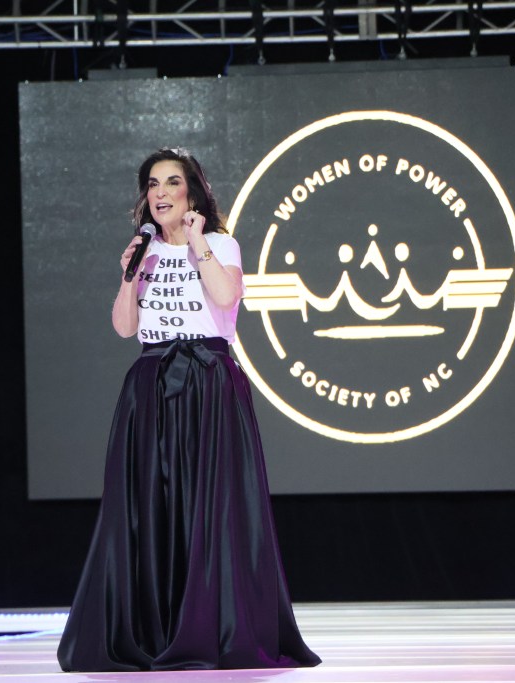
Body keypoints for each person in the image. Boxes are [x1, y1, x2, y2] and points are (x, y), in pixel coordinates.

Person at [57, 148, 322, 672]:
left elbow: (224, 297)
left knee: (212, 508)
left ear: (192, 192)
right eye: (152, 184)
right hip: (152, 386)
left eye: (171, 182)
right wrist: (130, 274)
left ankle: (216, 628)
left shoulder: (220, 243)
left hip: (208, 384)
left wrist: (196, 241)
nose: (160, 193)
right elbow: (125, 327)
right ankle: (153, 628)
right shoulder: (142, 250)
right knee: (150, 509)